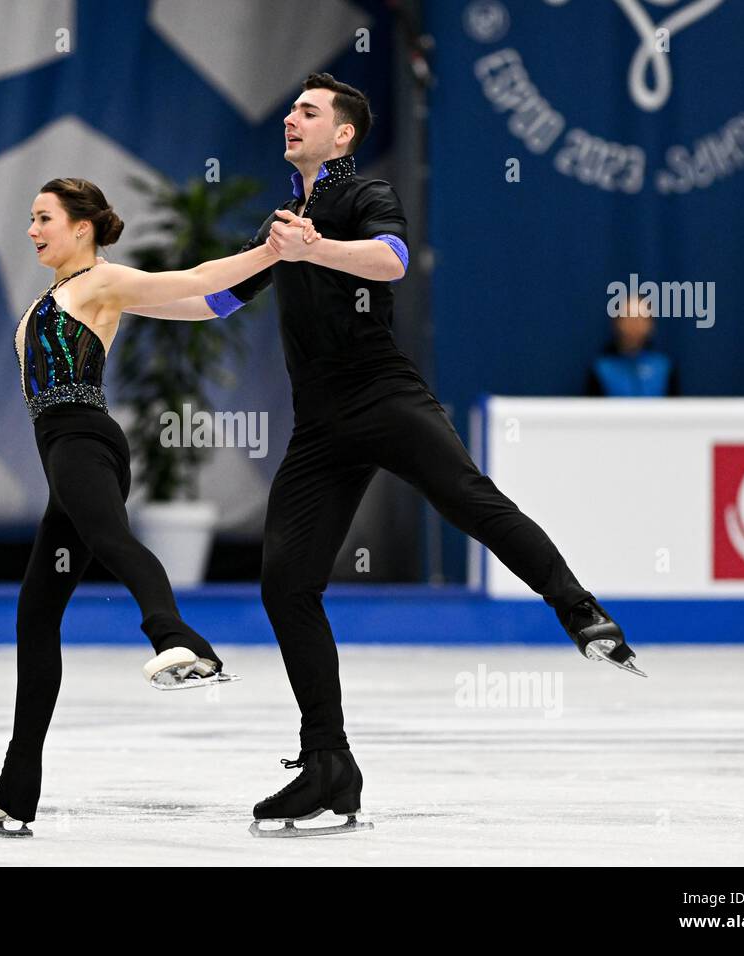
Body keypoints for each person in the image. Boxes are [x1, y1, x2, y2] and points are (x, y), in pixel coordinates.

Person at [129, 73, 646, 838]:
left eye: (308, 110)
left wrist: (318, 247)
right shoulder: (282, 224)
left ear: (342, 133)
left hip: (385, 397)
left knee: (470, 499)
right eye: (290, 107)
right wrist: (108, 297)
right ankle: (329, 764)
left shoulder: (361, 195)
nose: (290, 117)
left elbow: (393, 259)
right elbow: (210, 294)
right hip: (321, 426)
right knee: (285, 583)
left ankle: (582, 613)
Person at [0, 177, 312, 837]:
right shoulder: (61, 294)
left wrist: (271, 250)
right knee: (36, 614)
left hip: (82, 441)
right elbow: (212, 305)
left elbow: (195, 278)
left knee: (109, 540)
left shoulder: (99, 284)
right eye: (30, 217)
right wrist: (264, 261)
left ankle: (176, 636)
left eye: (43, 217)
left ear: (82, 227)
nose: (32, 229)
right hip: (66, 452)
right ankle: (17, 789)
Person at [585, 293, 681, 396]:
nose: (635, 324)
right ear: (617, 322)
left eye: (641, 318)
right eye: (629, 317)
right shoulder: (601, 369)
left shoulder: (664, 367)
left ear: (651, 324)